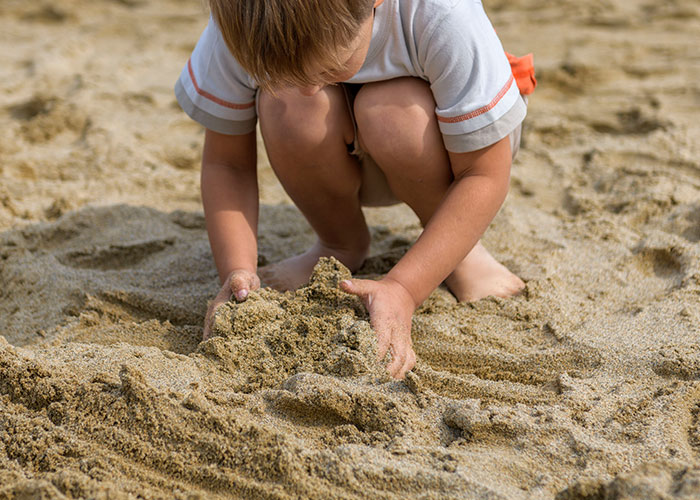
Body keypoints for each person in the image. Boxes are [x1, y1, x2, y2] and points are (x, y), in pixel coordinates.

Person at [174, 0, 536, 380]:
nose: (313, 86)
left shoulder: (440, 14)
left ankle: (461, 254)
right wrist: (236, 268)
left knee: (391, 112)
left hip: (461, 146)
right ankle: (339, 244)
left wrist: (403, 290)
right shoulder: (246, 20)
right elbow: (227, 164)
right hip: (344, 152)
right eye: (281, 73)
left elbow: (483, 174)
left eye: (330, 68)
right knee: (289, 104)